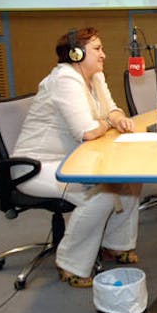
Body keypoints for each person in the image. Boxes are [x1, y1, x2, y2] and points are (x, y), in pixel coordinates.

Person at [12, 28, 141, 287]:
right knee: (102, 194)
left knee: (130, 181)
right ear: (76, 54)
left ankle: (115, 245)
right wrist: (107, 121)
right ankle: (70, 264)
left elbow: (111, 109)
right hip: (36, 168)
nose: (103, 55)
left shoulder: (94, 76)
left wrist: (119, 119)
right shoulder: (64, 79)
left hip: (72, 160)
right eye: (97, 49)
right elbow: (88, 131)